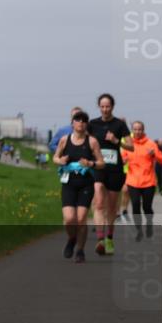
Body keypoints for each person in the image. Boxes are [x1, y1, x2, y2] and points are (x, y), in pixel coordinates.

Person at [53, 110, 106, 263]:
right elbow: (55, 157)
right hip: (69, 183)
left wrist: (91, 164)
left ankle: (80, 250)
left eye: (84, 120)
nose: (81, 122)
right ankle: (72, 238)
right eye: (78, 119)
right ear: (72, 123)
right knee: (69, 219)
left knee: (81, 218)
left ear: (86, 124)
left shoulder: (92, 141)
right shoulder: (64, 140)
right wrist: (60, 160)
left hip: (86, 183)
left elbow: (102, 163)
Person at [87, 93, 132, 256]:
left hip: (115, 170)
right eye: (102, 106)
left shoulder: (120, 125)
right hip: (99, 168)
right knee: (99, 202)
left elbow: (131, 146)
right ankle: (100, 239)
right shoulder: (92, 124)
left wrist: (116, 141)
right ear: (99, 107)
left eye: (108, 106)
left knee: (112, 207)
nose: (105, 109)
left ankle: (109, 238)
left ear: (112, 107)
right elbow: (86, 142)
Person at [122, 121, 162, 241]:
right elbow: (122, 158)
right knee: (135, 206)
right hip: (133, 181)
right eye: (135, 129)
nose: (137, 132)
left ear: (143, 130)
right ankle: (138, 231)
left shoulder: (151, 143)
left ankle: (149, 222)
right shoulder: (128, 144)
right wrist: (123, 159)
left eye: (140, 129)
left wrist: (154, 155)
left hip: (148, 181)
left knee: (147, 207)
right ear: (132, 131)